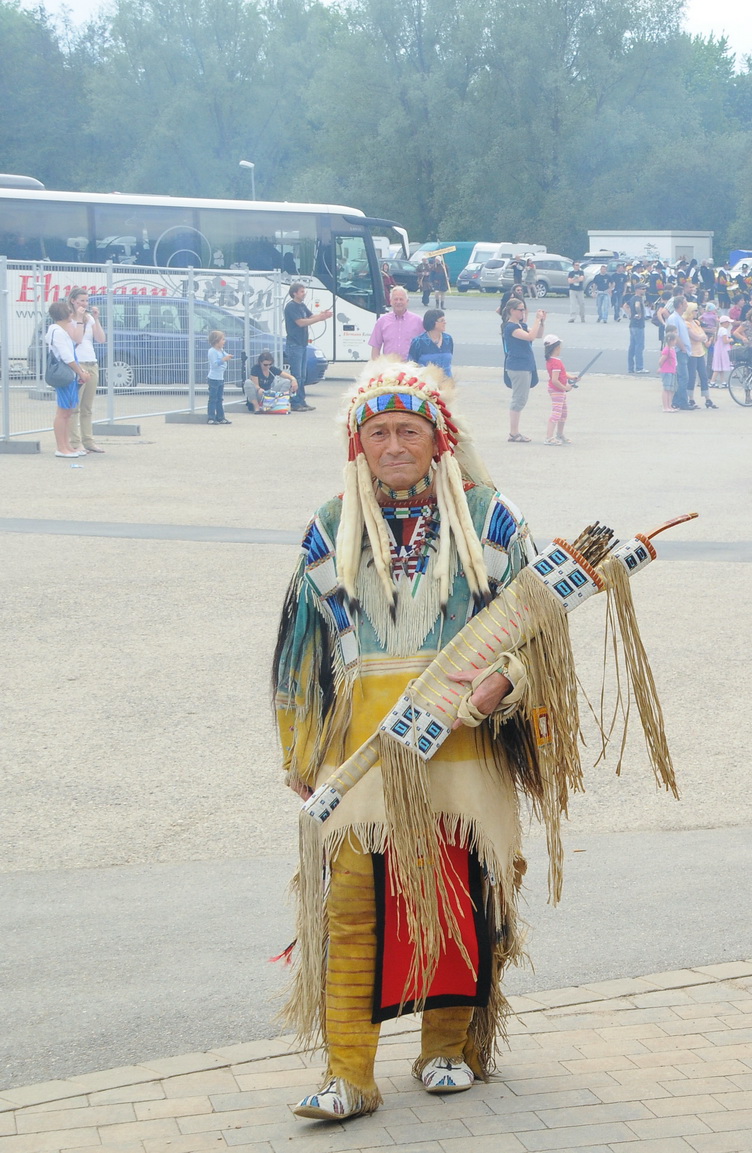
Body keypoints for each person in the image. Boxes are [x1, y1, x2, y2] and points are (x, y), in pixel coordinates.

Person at [274, 364, 610, 1122]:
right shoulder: (330, 525)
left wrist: (504, 682)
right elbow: (300, 647)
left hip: (464, 752)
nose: (393, 444)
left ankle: (448, 1046)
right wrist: (301, 750)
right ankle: (349, 1071)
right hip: (362, 751)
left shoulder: (490, 519)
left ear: (439, 438)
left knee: (460, 896)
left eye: (409, 430)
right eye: (378, 432)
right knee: (352, 904)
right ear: (358, 442)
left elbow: (541, 625)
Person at [45, 300, 87, 457]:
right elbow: (67, 356)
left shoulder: (61, 331)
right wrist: (81, 372)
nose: (72, 312)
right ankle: (61, 447)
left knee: (68, 412)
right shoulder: (56, 332)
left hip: (71, 375)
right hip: (65, 376)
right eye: (69, 311)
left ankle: (67, 445)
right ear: (64, 314)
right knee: (63, 413)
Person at [500, 298, 545, 443]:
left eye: (523, 309)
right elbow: (530, 337)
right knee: (518, 399)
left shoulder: (521, 325)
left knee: (521, 398)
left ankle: (514, 432)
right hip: (518, 366)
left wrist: (541, 322)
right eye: (520, 309)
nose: (523, 312)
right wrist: (537, 320)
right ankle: (514, 433)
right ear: (512, 311)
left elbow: (538, 335)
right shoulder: (510, 327)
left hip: (526, 364)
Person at [66, 288, 105, 454]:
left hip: (92, 362)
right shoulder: (69, 319)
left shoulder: (89, 318)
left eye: (86, 301)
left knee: (87, 407)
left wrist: (96, 320)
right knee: (75, 406)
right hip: (78, 362)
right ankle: (75, 442)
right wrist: (80, 319)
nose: (85, 304)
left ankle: (89, 440)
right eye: (81, 300)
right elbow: (77, 339)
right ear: (73, 301)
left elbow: (101, 339)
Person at [284, 283, 332, 411]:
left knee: (303, 375)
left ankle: (301, 400)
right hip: (294, 344)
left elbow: (310, 316)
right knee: (297, 375)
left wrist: (322, 315)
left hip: (303, 343)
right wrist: (319, 319)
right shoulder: (291, 306)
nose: (304, 293)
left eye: (304, 291)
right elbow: (300, 322)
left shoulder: (302, 305)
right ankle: (295, 402)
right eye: (301, 291)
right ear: (294, 293)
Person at [368, 287, 421, 361]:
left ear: (407, 301)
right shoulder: (382, 321)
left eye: (401, 299)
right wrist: (377, 367)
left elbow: (425, 346)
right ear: (390, 301)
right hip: (389, 368)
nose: (398, 302)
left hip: (411, 367)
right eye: (395, 299)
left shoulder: (418, 321)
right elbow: (376, 348)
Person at [407, 310, 454, 376]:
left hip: (447, 383)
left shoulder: (448, 339)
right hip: (426, 382)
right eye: (442, 320)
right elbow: (411, 364)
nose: (445, 322)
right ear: (432, 322)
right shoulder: (418, 342)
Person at [206, 329, 233, 425]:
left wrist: (228, 356)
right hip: (214, 379)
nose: (224, 341)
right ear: (216, 341)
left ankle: (220, 417)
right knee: (213, 398)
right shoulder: (212, 351)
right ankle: (211, 417)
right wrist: (224, 359)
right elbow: (214, 364)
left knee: (220, 398)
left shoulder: (221, 350)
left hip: (220, 378)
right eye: (222, 339)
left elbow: (225, 355)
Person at [658, 327, 679, 412]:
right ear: (671, 341)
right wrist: (661, 368)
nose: (676, 342)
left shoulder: (672, 349)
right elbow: (661, 360)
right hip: (667, 371)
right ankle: (665, 406)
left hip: (672, 371)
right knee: (666, 389)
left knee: (671, 389)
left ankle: (669, 405)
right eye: (674, 340)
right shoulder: (667, 350)